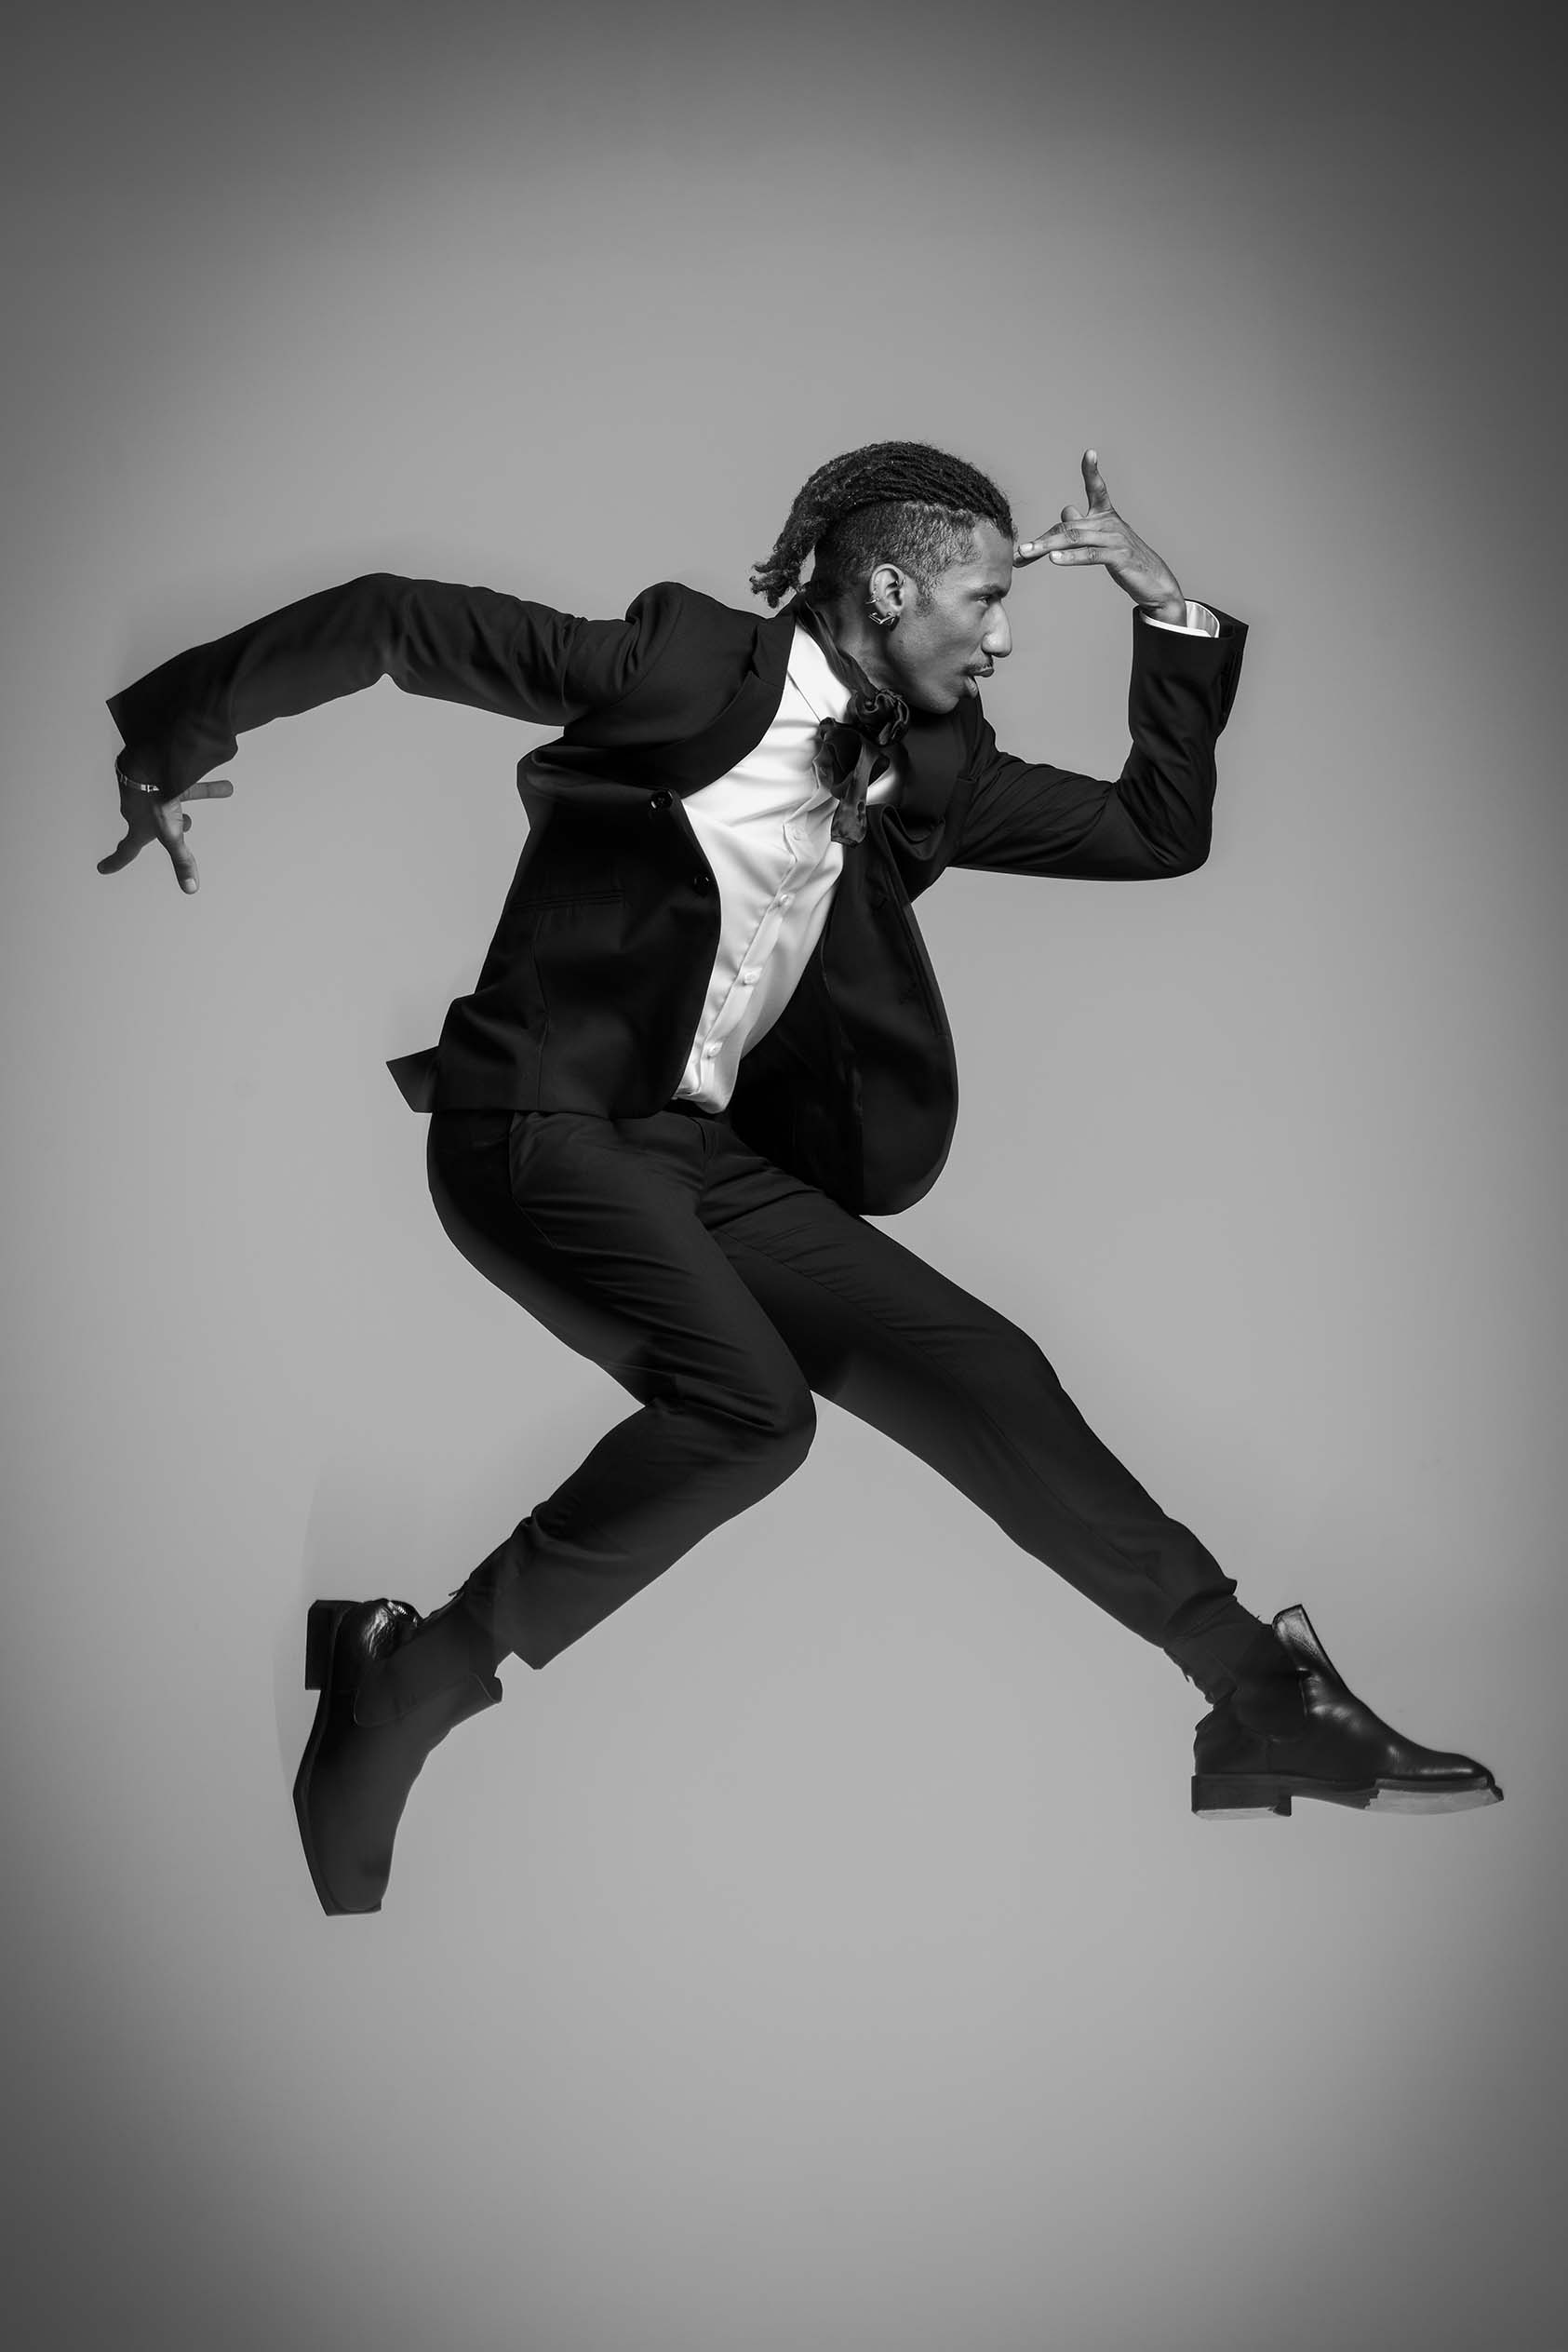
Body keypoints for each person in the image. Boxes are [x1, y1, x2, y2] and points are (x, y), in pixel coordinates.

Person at [100, 441, 1502, 1914]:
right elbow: (397, 619)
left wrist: (1168, 611)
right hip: (533, 1120)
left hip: (694, 1157)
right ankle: (412, 1681)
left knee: (982, 1369)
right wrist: (171, 738)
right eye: (985, 597)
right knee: (747, 1413)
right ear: (889, 589)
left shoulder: (929, 767)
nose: (1002, 637)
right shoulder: (683, 666)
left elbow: (1157, 832)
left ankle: (1259, 1694)